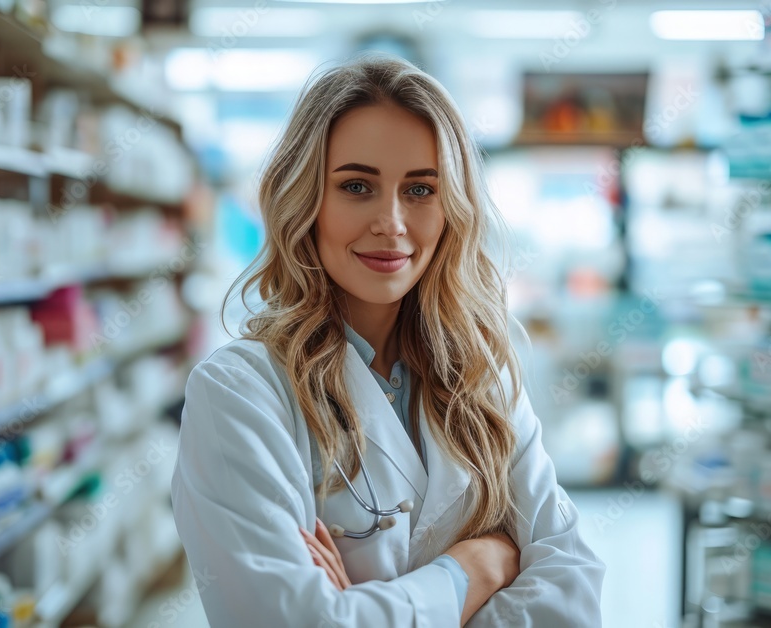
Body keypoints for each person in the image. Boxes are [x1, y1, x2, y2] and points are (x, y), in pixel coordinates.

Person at [170, 52, 605, 627]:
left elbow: (572, 594)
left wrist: (362, 607)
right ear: (306, 200)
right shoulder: (241, 393)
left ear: (452, 208)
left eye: (421, 190)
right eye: (356, 185)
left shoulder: (485, 378)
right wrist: (479, 566)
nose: (392, 222)